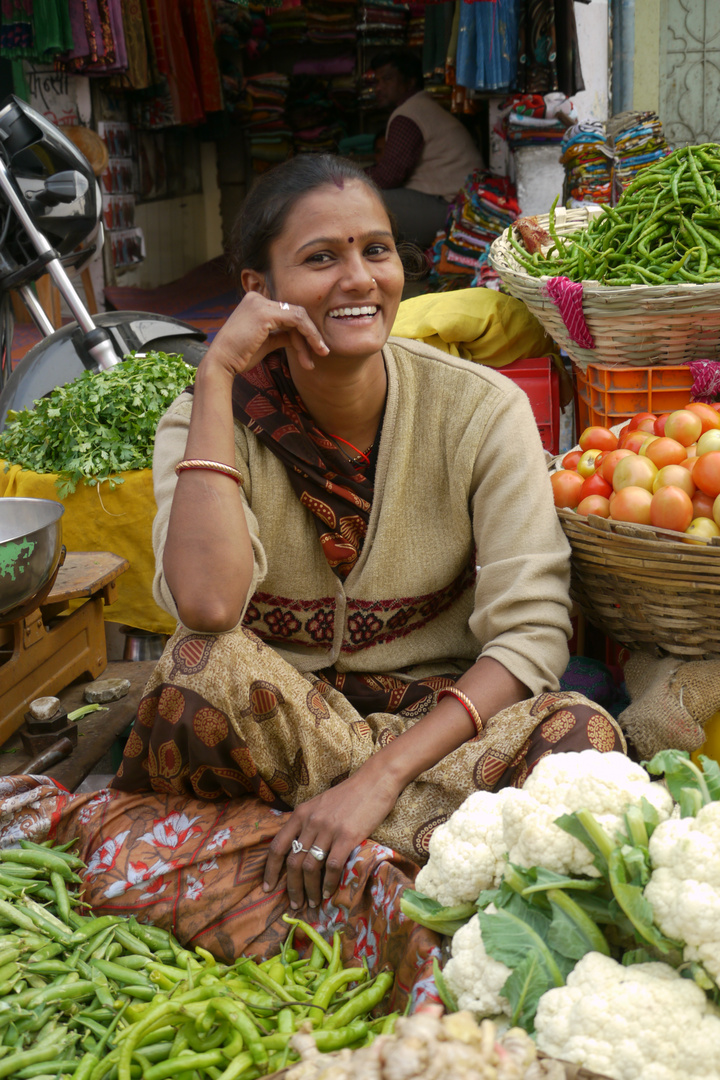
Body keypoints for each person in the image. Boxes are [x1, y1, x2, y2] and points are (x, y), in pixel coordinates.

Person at [113, 154, 625, 915]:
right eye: (321, 258)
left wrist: (376, 779)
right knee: (196, 669)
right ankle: (390, 855)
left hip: (436, 725)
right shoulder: (204, 420)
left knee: (583, 734)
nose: (359, 279)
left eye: (376, 250)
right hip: (282, 724)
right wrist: (216, 373)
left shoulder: (479, 410)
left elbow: (530, 633)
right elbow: (209, 607)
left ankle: (281, 850)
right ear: (259, 291)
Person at [366, 51, 483, 247]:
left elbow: (389, 176)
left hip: (451, 209)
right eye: (377, 81)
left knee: (358, 199)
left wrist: (349, 178)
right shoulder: (421, 107)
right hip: (458, 204)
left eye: (387, 79)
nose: (378, 88)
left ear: (410, 82)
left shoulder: (409, 114)